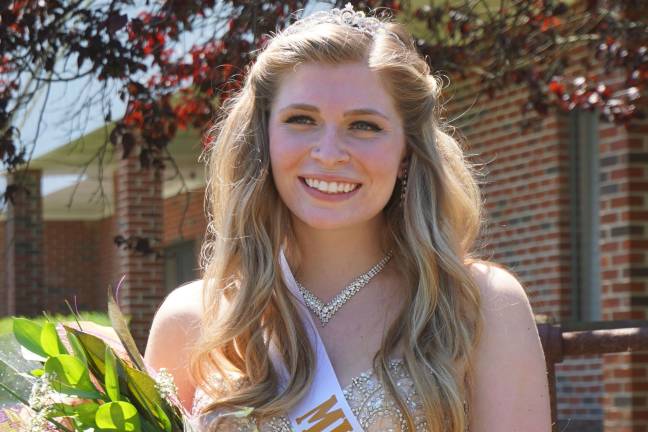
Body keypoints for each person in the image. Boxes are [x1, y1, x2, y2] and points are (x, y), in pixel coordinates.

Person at [144, 4, 551, 431]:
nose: (329, 153)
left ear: (407, 152)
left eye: (364, 126)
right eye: (301, 119)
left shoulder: (477, 305)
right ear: (263, 138)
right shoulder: (192, 320)